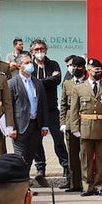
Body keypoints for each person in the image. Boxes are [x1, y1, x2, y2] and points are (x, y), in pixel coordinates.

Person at [28, 39, 68, 187]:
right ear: (32, 51)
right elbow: (29, 81)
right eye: (37, 49)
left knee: (58, 139)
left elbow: (56, 80)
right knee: (37, 141)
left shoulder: (53, 64)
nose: (40, 52)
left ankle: (66, 166)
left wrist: (38, 81)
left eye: (42, 49)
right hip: (35, 110)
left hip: (51, 109)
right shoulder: (29, 66)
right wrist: (47, 79)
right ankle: (40, 169)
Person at [8, 51, 50, 182]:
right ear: (19, 66)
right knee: (20, 157)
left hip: (35, 125)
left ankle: (24, 183)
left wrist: (44, 124)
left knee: (30, 157)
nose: (30, 65)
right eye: (26, 63)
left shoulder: (38, 83)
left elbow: (43, 104)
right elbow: (8, 107)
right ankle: (19, 184)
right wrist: (11, 127)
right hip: (20, 127)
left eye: (30, 62)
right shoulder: (12, 83)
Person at [74, 59, 102, 197]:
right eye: (96, 70)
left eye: (100, 70)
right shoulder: (79, 88)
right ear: (89, 71)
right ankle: (87, 186)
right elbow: (74, 110)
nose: (99, 72)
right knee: (86, 160)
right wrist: (75, 127)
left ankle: (100, 186)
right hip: (85, 128)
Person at [58, 56, 87, 192]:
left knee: (85, 154)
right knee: (72, 155)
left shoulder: (88, 82)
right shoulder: (67, 84)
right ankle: (74, 183)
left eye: (78, 67)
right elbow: (63, 104)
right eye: (73, 67)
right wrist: (62, 122)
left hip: (86, 121)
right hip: (70, 122)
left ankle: (85, 183)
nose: (75, 69)